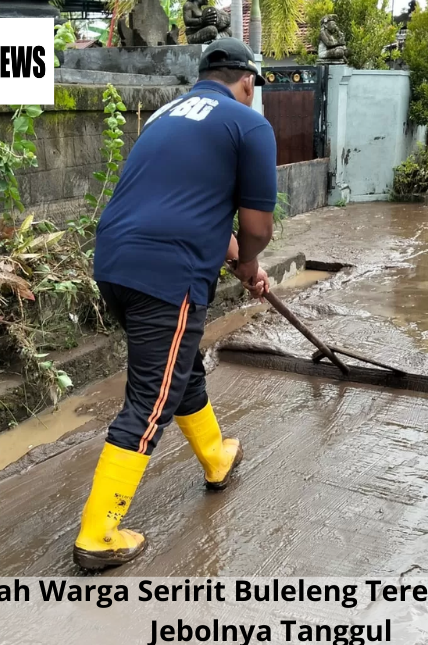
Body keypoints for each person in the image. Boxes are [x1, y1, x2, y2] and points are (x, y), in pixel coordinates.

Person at [77, 38, 276, 570]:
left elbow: (190, 207)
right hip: (167, 275)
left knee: (178, 369)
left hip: (115, 263)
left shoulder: (166, 116)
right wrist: (252, 265)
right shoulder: (248, 123)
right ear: (247, 82)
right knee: (150, 401)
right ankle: (98, 535)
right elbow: (257, 226)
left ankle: (216, 457)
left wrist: (235, 257)